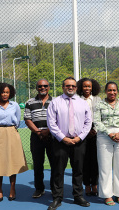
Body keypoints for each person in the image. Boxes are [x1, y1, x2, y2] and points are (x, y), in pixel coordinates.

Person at [47, 77, 92, 210]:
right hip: (61, 142)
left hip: (79, 142)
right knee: (58, 171)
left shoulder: (82, 103)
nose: (70, 87)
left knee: (78, 170)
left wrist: (80, 137)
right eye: (67, 86)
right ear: (63, 87)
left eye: (73, 85)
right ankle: (57, 198)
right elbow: (51, 123)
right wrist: (63, 138)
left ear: (76, 88)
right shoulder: (55, 102)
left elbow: (88, 122)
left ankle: (78, 196)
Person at [0, 82, 28, 202]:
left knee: (12, 162)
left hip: (12, 134)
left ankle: (12, 189)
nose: (5, 94)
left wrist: (9, 130)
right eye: (3, 92)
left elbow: (18, 121)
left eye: (7, 92)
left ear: (11, 93)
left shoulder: (15, 106)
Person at [94, 81, 119, 206]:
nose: (112, 92)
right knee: (105, 167)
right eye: (109, 90)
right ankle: (107, 195)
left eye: (114, 90)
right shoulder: (99, 104)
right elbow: (97, 122)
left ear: (117, 91)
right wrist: (108, 133)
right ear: (105, 91)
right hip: (104, 137)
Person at [24, 79, 53, 198]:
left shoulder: (55, 101)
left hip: (52, 137)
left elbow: (59, 119)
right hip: (36, 137)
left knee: (55, 164)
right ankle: (39, 189)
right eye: (40, 86)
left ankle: (55, 189)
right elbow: (27, 119)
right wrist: (38, 132)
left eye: (45, 86)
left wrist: (48, 131)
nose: (43, 88)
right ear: (36, 88)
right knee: (37, 164)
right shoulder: (30, 102)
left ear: (49, 87)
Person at [76, 78, 102, 197]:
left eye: (89, 86)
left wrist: (95, 129)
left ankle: (95, 185)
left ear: (93, 87)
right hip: (82, 133)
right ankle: (87, 185)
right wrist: (85, 132)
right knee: (84, 161)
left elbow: (101, 116)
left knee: (95, 160)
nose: (87, 88)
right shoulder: (77, 100)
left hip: (96, 131)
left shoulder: (98, 99)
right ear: (81, 87)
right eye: (85, 86)